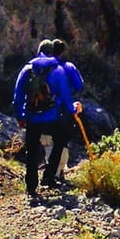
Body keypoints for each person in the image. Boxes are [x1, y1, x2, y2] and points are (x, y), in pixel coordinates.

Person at [11, 40, 80, 203]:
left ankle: (31, 186)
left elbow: (17, 97)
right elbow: (65, 96)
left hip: (32, 117)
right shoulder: (58, 70)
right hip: (53, 118)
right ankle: (49, 176)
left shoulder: (27, 69)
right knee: (61, 140)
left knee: (32, 150)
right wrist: (73, 108)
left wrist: (20, 117)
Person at [46, 38, 86, 171]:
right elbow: (79, 85)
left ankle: (50, 169)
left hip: (43, 108)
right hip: (63, 108)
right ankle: (58, 170)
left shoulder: (43, 67)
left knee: (48, 140)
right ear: (63, 51)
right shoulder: (68, 67)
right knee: (62, 141)